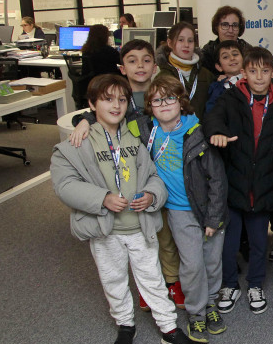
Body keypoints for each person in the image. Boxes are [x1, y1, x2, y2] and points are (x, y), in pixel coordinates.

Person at [50, 74, 196, 344]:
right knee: (113, 279)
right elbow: (64, 185)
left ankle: (169, 327)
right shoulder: (77, 143)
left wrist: (153, 196)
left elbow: (154, 174)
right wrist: (101, 198)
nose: (115, 105)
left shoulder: (137, 134)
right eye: (107, 99)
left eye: (121, 99)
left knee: (152, 278)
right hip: (105, 229)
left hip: (139, 226)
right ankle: (125, 324)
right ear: (92, 104)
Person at [67, 39, 186, 311]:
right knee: (142, 238)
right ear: (122, 67)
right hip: (132, 178)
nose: (140, 66)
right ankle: (147, 286)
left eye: (146, 60)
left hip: (166, 175)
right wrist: (84, 120)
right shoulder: (121, 98)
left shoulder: (162, 93)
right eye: (132, 61)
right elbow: (98, 109)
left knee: (166, 234)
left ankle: (171, 281)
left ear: (155, 67)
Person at [205, 48, 273, 315]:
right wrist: (216, 132)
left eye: (265, 71)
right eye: (253, 71)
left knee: (260, 240)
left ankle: (255, 285)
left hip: (265, 185)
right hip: (235, 183)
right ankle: (230, 284)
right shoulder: (230, 98)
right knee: (230, 241)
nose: (259, 77)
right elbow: (212, 119)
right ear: (244, 73)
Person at [140, 75, 229, 343]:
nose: (164, 103)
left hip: (210, 210)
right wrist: (83, 121)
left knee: (212, 262)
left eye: (170, 98)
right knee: (192, 265)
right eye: (157, 99)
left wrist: (213, 218)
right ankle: (196, 312)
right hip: (179, 211)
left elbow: (217, 180)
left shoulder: (199, 132)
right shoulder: (146, 130)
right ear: (150, 106)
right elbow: (109, 113)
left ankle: (211, 303)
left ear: (182, 102)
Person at [158, 21, 214, 119]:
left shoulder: (206, 74)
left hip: (204, 131)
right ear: (170, 43)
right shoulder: (162, 77)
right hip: (174, 131)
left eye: (190, 40)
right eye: (181, 40)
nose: (186, 45)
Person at [199, 6, 255, 75]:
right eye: (225, 25)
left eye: (235, 25)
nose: (230, 30)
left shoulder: (248, 51)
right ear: (217, 27)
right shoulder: (207, 54)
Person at [205, 40, 245, 113]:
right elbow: (211, 112)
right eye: (225, 57)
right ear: (219, 67)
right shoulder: (217, 88)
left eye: (235, 54)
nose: (232, 58)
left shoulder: (253, 81)